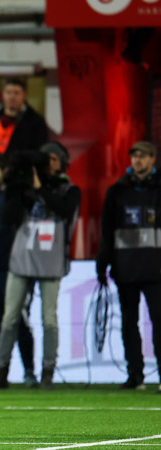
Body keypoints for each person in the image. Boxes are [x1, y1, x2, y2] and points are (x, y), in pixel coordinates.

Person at [0, 145, 81, 390]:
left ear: (62, 163)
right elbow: (6, 218)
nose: (48, 163)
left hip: (51, 260)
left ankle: (48, 372)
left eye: (53, 159)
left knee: (48, 319)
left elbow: (64, 210)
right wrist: (16, 189)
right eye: (45, 159)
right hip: (21, 258)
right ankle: (0, 371)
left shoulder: (69, 190)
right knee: (9, 318)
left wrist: (40, 188)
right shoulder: (23, 189)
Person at [96, 141, 161, 391]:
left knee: (159, 322)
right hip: (126, 269)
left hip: (156, 270)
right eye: (134, 156)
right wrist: (102, 265)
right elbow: (107, 232)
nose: (138, 160)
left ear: (153, 159)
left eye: (143, 156)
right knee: (128, 323)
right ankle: (135, 375)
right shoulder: (117, 191)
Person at [0, 154, 37, 387]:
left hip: (17, 267)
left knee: (17, 320)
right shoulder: (1, 196)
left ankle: (29, 371)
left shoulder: (22, 197)